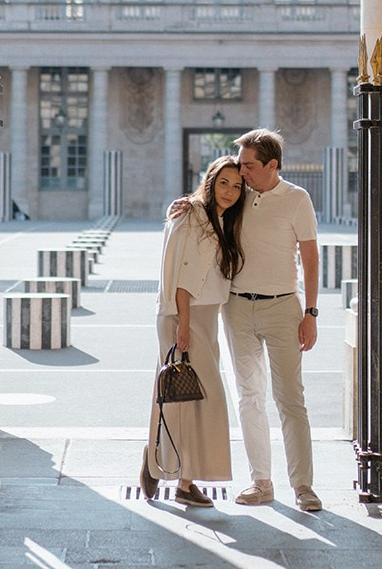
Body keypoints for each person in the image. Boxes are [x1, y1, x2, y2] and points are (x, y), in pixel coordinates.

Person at [223, 128, 321, 512]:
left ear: (272, 165)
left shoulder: (297, 199)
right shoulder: (236, 197)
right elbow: (204, 207)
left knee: (290, 400)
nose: (241, 171)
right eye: (241, 165)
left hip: (283, 308)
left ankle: (303, 486)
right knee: (249, 397)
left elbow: (311, 259)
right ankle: (260, 482)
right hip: (237, 308)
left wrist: (310, 313)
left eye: (248, 165)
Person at [140, 155, 246, 507]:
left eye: (236, 185)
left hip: (202, 316)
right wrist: (183, 326)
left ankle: (157, 464)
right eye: (224, 183)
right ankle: (180, 480)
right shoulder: (194, 215)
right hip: (183, 315)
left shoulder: (215, 218)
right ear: (210, 181)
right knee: (198, 398)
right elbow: (184, 277)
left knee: (181, 396)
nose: (230, 191)